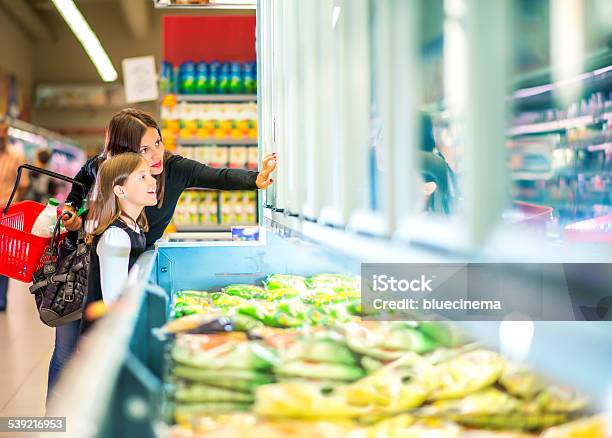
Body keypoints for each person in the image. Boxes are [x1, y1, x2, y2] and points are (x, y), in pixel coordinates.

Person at [46, 108, 276, 398]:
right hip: (84, 267)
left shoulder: (173, 169)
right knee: (68, 353)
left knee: (96, 351)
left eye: (158, 142)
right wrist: (70, 207)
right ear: (123, 156)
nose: (156, 155)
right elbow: (80, 182)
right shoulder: (106, 169)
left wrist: (256, 179)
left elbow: (217, 176)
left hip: (131, 263)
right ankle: (54, 422)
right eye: (145, 149)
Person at [81, 152, 158, 333]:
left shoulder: (134, 226)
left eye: (150, 175)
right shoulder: (116, 236)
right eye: (142, 177)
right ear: (120, 190)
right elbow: (114, 302)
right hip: (103, 339)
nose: (153, 181)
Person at [0, 120, 29, 312]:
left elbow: (24, 184)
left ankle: (1, 299)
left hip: (6, 212)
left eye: (3, 131)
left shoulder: (16, 156)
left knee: (4, 257)